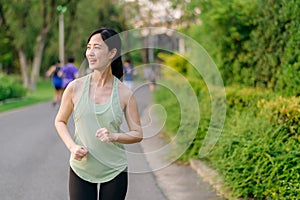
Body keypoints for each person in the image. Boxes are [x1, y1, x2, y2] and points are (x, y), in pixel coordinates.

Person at [55, 27, 143, 200]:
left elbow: (137, 134)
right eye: (88, 47)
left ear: (112, 53)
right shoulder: (75, 88)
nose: (90, 53)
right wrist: (72, 147)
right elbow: (60, 121)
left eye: (97, 47)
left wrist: (114, 136)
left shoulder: (125, 94)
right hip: (82, 167)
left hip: (114, 169)